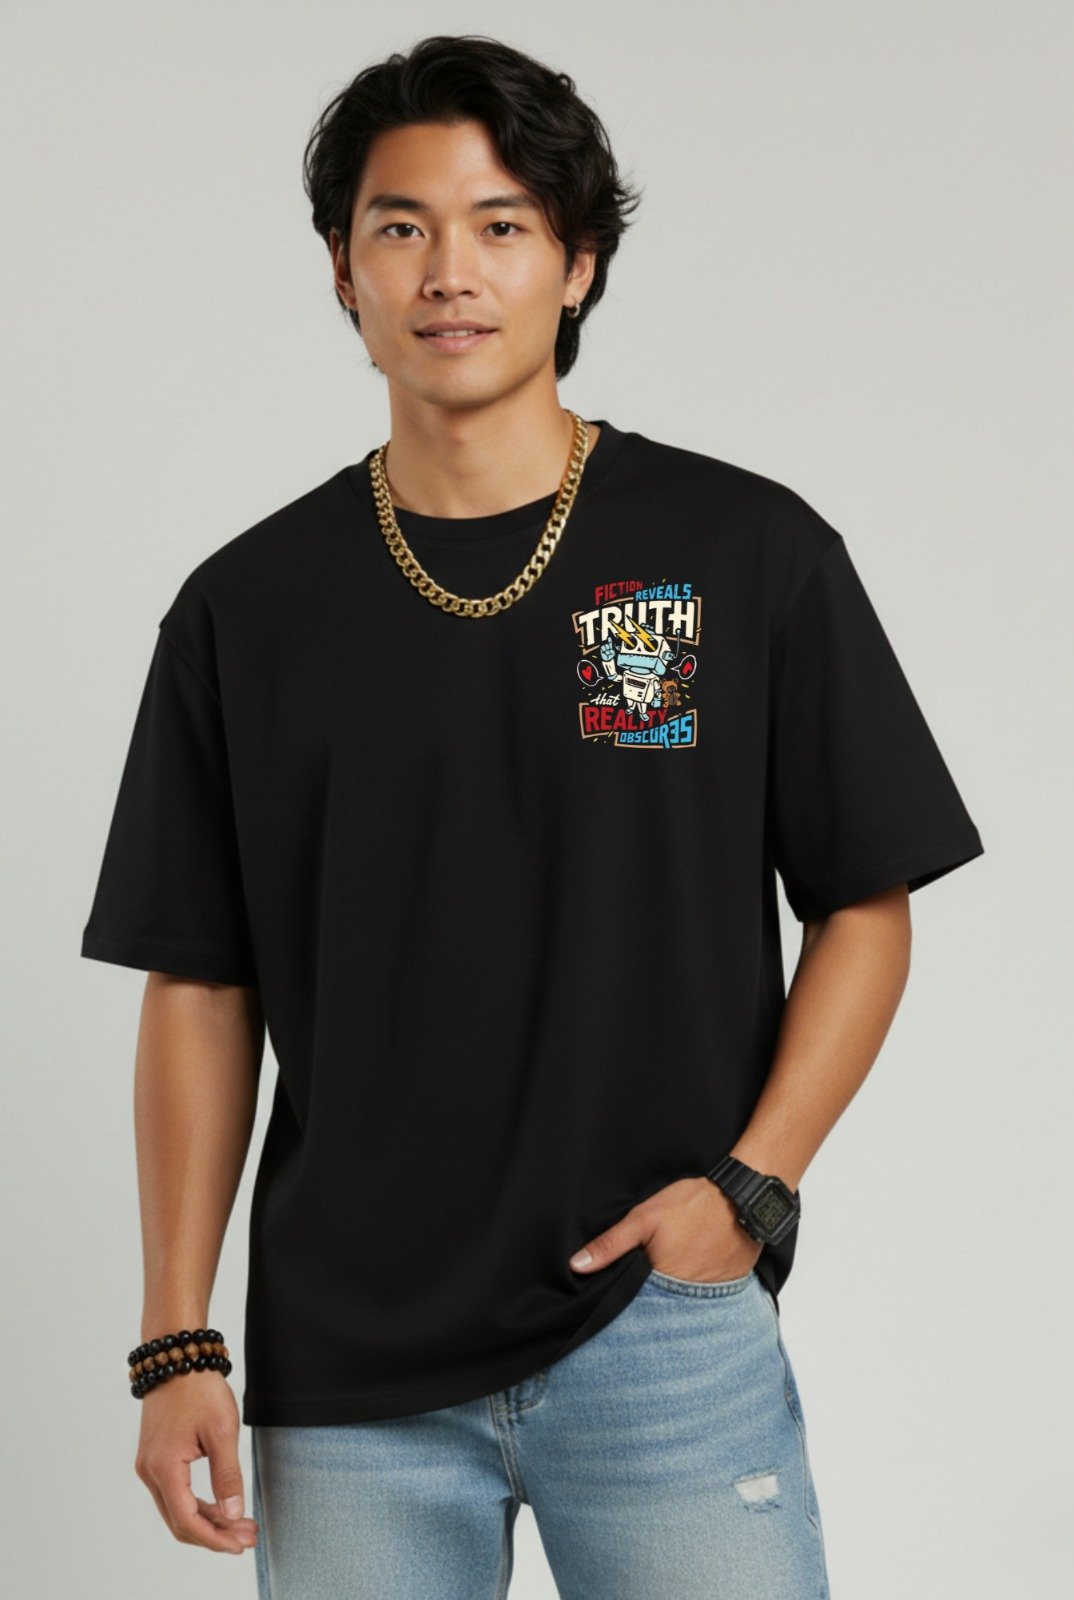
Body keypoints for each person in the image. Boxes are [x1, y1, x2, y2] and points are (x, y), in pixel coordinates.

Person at [80, 33, 985, 1600]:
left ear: (576, 265)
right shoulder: (248, 608)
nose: (450, 272)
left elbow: (863, 898)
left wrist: (750, 1190)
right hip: (350, 1375)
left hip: (657, 1329)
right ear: (342, 271)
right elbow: (201, 984)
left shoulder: (738, 551)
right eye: (401, 226)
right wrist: (175, 1339)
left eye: (500, 225)